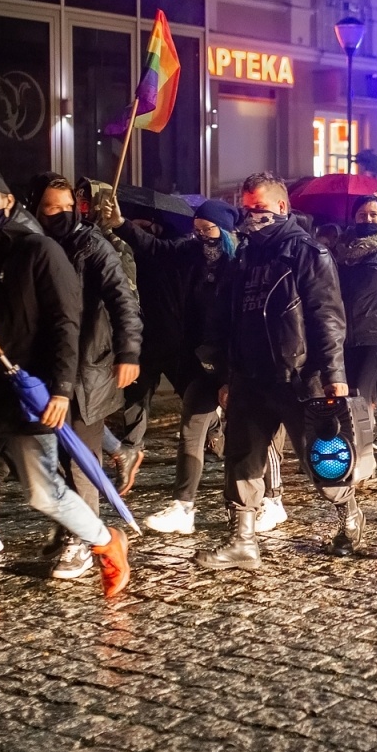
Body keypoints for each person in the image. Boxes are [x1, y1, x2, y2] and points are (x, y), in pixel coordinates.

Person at [0, 171, 130, 623]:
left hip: (28, 390)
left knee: (44, 493)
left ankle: (103, 540)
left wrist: (60, 389)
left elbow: (65, 323)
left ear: (9, 201)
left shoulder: (39, 249)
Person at [195, 173, 357, 571]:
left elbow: (327, 318)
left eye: (260, 208)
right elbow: (229, 319)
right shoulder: (244, 258)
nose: (252, 216)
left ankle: (348, 513)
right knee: (242, 459)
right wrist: (225, 376)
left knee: (322, 459)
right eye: (246, 208)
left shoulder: (308, 253)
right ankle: (243, 541)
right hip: (250, 376)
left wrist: (334, 374)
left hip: (300, 377)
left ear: (282, 208)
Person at [107, 198, 244, 535]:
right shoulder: (191, 253)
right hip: (201, 359)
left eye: (208, 230)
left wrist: (232, 375)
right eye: (196, 229)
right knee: (190, 432)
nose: (201, 236)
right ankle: (183, 506)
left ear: (224, 230)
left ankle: (267, 498)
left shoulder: (243, 261)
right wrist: (121, 225)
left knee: (250, 437)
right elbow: (157, 249)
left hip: (239, 363)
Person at [29, 174, 142, 578]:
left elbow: (121, 298)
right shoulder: (32, 244)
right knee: (53, 457)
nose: (59, 214)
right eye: (50, 207)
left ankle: (89, 538)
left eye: (66, 207)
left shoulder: (91, 244)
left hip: (87, 369)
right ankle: (71, 525)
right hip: (44, 367)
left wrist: (129, 351)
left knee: (81, 460)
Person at [336, 196, 377, 442]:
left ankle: (363, 448)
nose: (367, 219)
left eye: (373, 214)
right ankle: (357, 447)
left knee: (360, 392)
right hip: (346, 335)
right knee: (348, 395)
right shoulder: (342, 251)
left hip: (375, 333)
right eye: (362, 215)